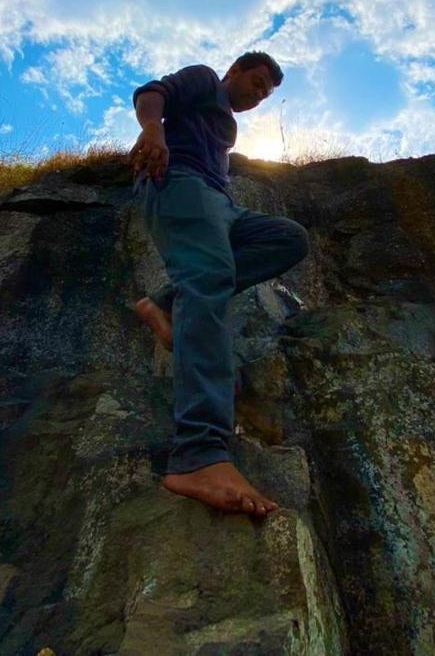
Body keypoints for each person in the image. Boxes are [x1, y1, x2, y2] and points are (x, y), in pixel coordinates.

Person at [130, 51, 309, 518]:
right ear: (235, 71)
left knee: (288, 239)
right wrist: (153, 131)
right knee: (208, 282)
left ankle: (163, 302)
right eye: (256, 81)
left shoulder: (226, 124)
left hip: (221, 202)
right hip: (181, 184)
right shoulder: (206, 79)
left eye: (268, 92)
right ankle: (199, 455)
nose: (259, 94)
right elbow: (152, 93)